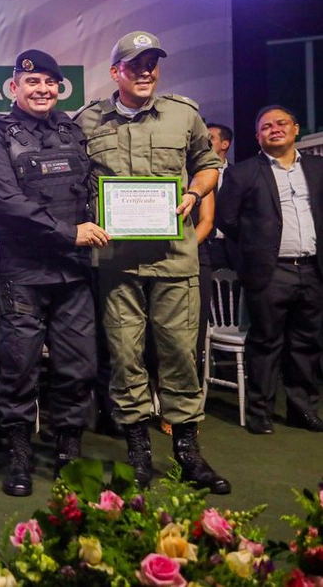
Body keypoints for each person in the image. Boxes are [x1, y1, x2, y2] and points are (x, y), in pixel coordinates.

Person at [74, 31, 229, 494]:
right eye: (134, 64)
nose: (145, 71)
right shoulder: (86, 122)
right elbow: (75, 185)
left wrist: (195, 191)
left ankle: (187, 451)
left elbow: (208, 164)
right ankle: (137, 450)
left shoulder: (184, 114)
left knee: (180, 354)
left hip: (174, 257)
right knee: (125, 357)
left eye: (151, 63)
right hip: (117, 262)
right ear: (114, 72)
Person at [0, 50, 108, 496]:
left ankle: (69, 451)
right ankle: (19, 455)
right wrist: (70, 233)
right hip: (22, 274)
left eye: (51, 83)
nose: (43, 90)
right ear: (14, 88)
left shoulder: (72, 131)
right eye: (33, 83)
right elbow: (6, 203)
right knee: (19, 368)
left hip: (72, 275)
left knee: (78, 367)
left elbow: (92, 191)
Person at [216, 105, 323, 435]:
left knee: (308, 343)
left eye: (281, 124)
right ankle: (260, 411)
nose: (274, 129)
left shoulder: (319, 168)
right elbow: (226, 220)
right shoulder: (243, 173)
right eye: (265, 127)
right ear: (257, 137)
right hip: (270, 272)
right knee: (265, 343)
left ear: (296, 129)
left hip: (314, 269)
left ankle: (301, 409)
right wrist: (253, 254)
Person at [206, 122, 235, 270]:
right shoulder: (193, 175)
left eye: (210, 138)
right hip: (204, 247)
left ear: (225, 144)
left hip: (232, 248)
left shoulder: (239, 175)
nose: (205, 142)